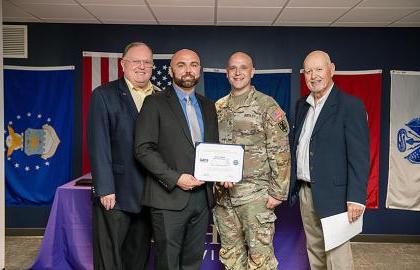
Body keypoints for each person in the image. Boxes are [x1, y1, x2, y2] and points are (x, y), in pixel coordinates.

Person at [134, 49, 219, 270]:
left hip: (202, 198)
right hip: (168, 197)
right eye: (181, 65)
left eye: (193, 64)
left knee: (193, 261)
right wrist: (175, 178)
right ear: (171, 70)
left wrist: (222, 174)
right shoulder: (154, 102)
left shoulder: (209, 106)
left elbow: (213, 150)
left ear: (199, 69)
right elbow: (143, 149)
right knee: (168, 263)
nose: (188, 70)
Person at [288, 50, 370, 270]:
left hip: (337, 195)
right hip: (306, 191)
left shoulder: (350, 106)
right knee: (314, 250)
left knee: (337, 256)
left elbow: (360, 156)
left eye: (319, 69)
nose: (313, 76)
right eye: (308, 71)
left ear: (331, 69)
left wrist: (356, 198)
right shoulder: (301, 106)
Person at [213, 52, 291, 269]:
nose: (238, 73)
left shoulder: (267, 106)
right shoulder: (218, 107)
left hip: (255, 196)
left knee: (260, 260)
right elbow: (213, 150)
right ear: (227, 73)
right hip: (224, 197)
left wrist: (278, 192)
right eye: (233, 68)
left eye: (243, 67)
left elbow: (281, 150)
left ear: (252, 72)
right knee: (231, 257)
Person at [87, 42, 160, 270]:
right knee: (109, 259)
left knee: (138, 256)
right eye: (136, 61)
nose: (142, 66)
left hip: (150, 192)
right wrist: (105, 187)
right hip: (116, 192)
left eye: (147, 62)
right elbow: (98, 143)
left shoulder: (160, 96)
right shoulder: (104, 95)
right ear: (123, 64)